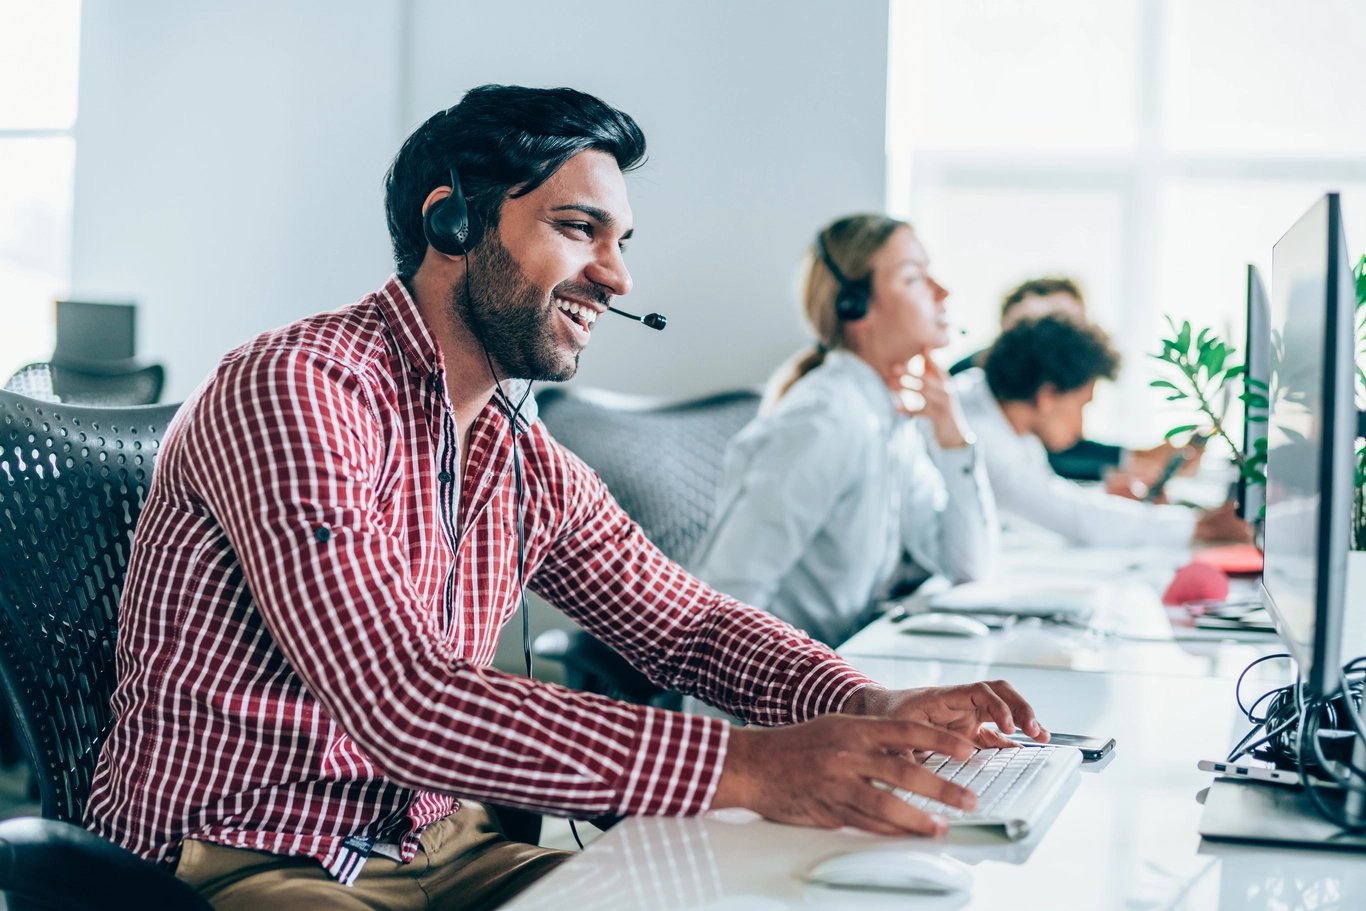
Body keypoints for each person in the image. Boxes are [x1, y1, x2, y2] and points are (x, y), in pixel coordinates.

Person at [83, 86, 1046, 910]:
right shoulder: (298, 390)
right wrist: (754, 766)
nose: (618, 275)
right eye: (578, 228)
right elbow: (400, 697)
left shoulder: (514, 449)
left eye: (621, 240)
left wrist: (870, 702)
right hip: (241, 854)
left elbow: (693, 628)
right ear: (451, 224)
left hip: (440, 846)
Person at [690, 214, 997, 648]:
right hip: (772, 701)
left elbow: (967, 567)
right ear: (857, 308)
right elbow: (729, 600)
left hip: (836, 677)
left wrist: (952, 436)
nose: (943, 291)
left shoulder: (887, 420)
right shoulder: (825, 420)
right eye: (914, 278)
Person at [953, 313, 1251, 547]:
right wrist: (1200, 526)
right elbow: (1072, 518)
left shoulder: (1001, 415)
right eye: (1082, 405)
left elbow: (1045, 496)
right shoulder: (977, 435)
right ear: (1047, 396)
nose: (1081, 427)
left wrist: (1108, 494)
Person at [949, 277, 1188, 488]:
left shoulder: (1025, 423)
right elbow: (1050, 476)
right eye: (1057, 324)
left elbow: (1049, 478)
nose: (1070, 339)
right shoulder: (974, 392)